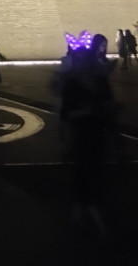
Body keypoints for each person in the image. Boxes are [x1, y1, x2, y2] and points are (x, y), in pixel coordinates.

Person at [59, 33, 118, 234]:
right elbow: (66, 114)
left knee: (88, 177)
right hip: (82, 137)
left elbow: (108, 105)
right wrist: (87, 111)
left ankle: (78, 218)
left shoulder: (98, 82)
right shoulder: (73, 85)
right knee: (87, 178)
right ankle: (102, 228)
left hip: (97, 136)